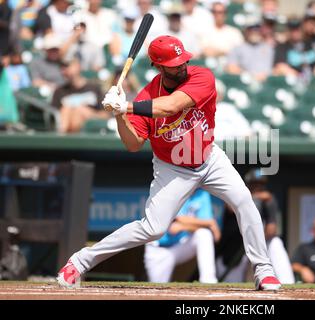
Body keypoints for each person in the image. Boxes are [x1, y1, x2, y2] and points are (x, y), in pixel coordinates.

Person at [56, 35, 281, 291]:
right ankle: (80, 262)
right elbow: (133, 144)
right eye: (175, 63)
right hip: (172, 168)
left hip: (209, 158)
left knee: (244, 200)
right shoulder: (147, 95)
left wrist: (127, 106)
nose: (182, 65)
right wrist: (120, 115)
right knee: (152, 229)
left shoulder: (201, 77)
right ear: (159, 67)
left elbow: (172, 106)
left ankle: (263, 270)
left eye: (182, 59)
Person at [216, 168, 295, 284]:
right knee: (232, 285)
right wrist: (255, 198)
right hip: (233, 249)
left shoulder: (268, 201)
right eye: (254, 184)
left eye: (261, 185)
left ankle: (288, 283)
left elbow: (272, 229)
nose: (258, 188)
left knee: (275, 242)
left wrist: (255, 240)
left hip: (256, 243)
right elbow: (229, 208)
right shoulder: (237, 195)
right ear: (248, 184)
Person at [143, 189, 221, 283]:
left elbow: (214, 234)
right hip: (159, 249)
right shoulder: (173, 189)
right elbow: (174, 225)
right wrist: (209, 222)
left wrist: (184, 225)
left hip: (180, 245)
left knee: (204, 233)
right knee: (158, 292)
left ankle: (208, 280)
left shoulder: (201, 193)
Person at [51, 58, 109, 133]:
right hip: (66, 127)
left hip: (89, 131)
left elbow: (105, 116)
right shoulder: (59, 91)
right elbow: (54, 118)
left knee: (78, 112)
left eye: (67, 66)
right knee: (66, 109)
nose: (64, 70)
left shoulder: (94, 88)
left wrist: (88, 113)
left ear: (77, 66)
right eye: (61, 68)